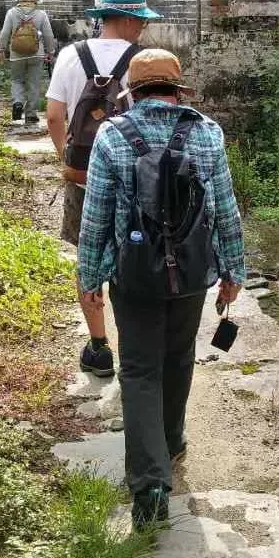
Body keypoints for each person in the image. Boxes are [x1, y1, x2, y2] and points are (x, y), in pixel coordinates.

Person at [77, 47, 245, 527]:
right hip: (191, 273)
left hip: (134, 275)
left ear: (133, 89)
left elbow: (98, 217)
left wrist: (91, 276)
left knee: (138, 370)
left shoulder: (112, 135)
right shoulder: (207, 133)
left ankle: (150, 482)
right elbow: (225, 210)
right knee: (178, 357)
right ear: (177, 88)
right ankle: (172, 441)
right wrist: (233, 271)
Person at [46, 0, 158, 378]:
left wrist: (69, 159)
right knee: (134, 255)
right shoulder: (143, 61)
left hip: (83, 179)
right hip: (134, 180)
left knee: (87, 258)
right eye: (141, 20)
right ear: (127, 19)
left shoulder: (70, 56)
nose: (143, 27)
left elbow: (55, 117)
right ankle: (134, 344)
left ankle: (99, 347)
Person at [0, 0, 56, 126]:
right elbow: (48, 35)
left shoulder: (12, 13)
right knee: (34, 83)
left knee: (17, 80)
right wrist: (50, 52)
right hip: (37, 54)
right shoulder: (41, 14)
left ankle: (18, 102)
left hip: (17, 54)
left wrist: (0, 50)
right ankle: (31, 114)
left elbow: (5, 33)